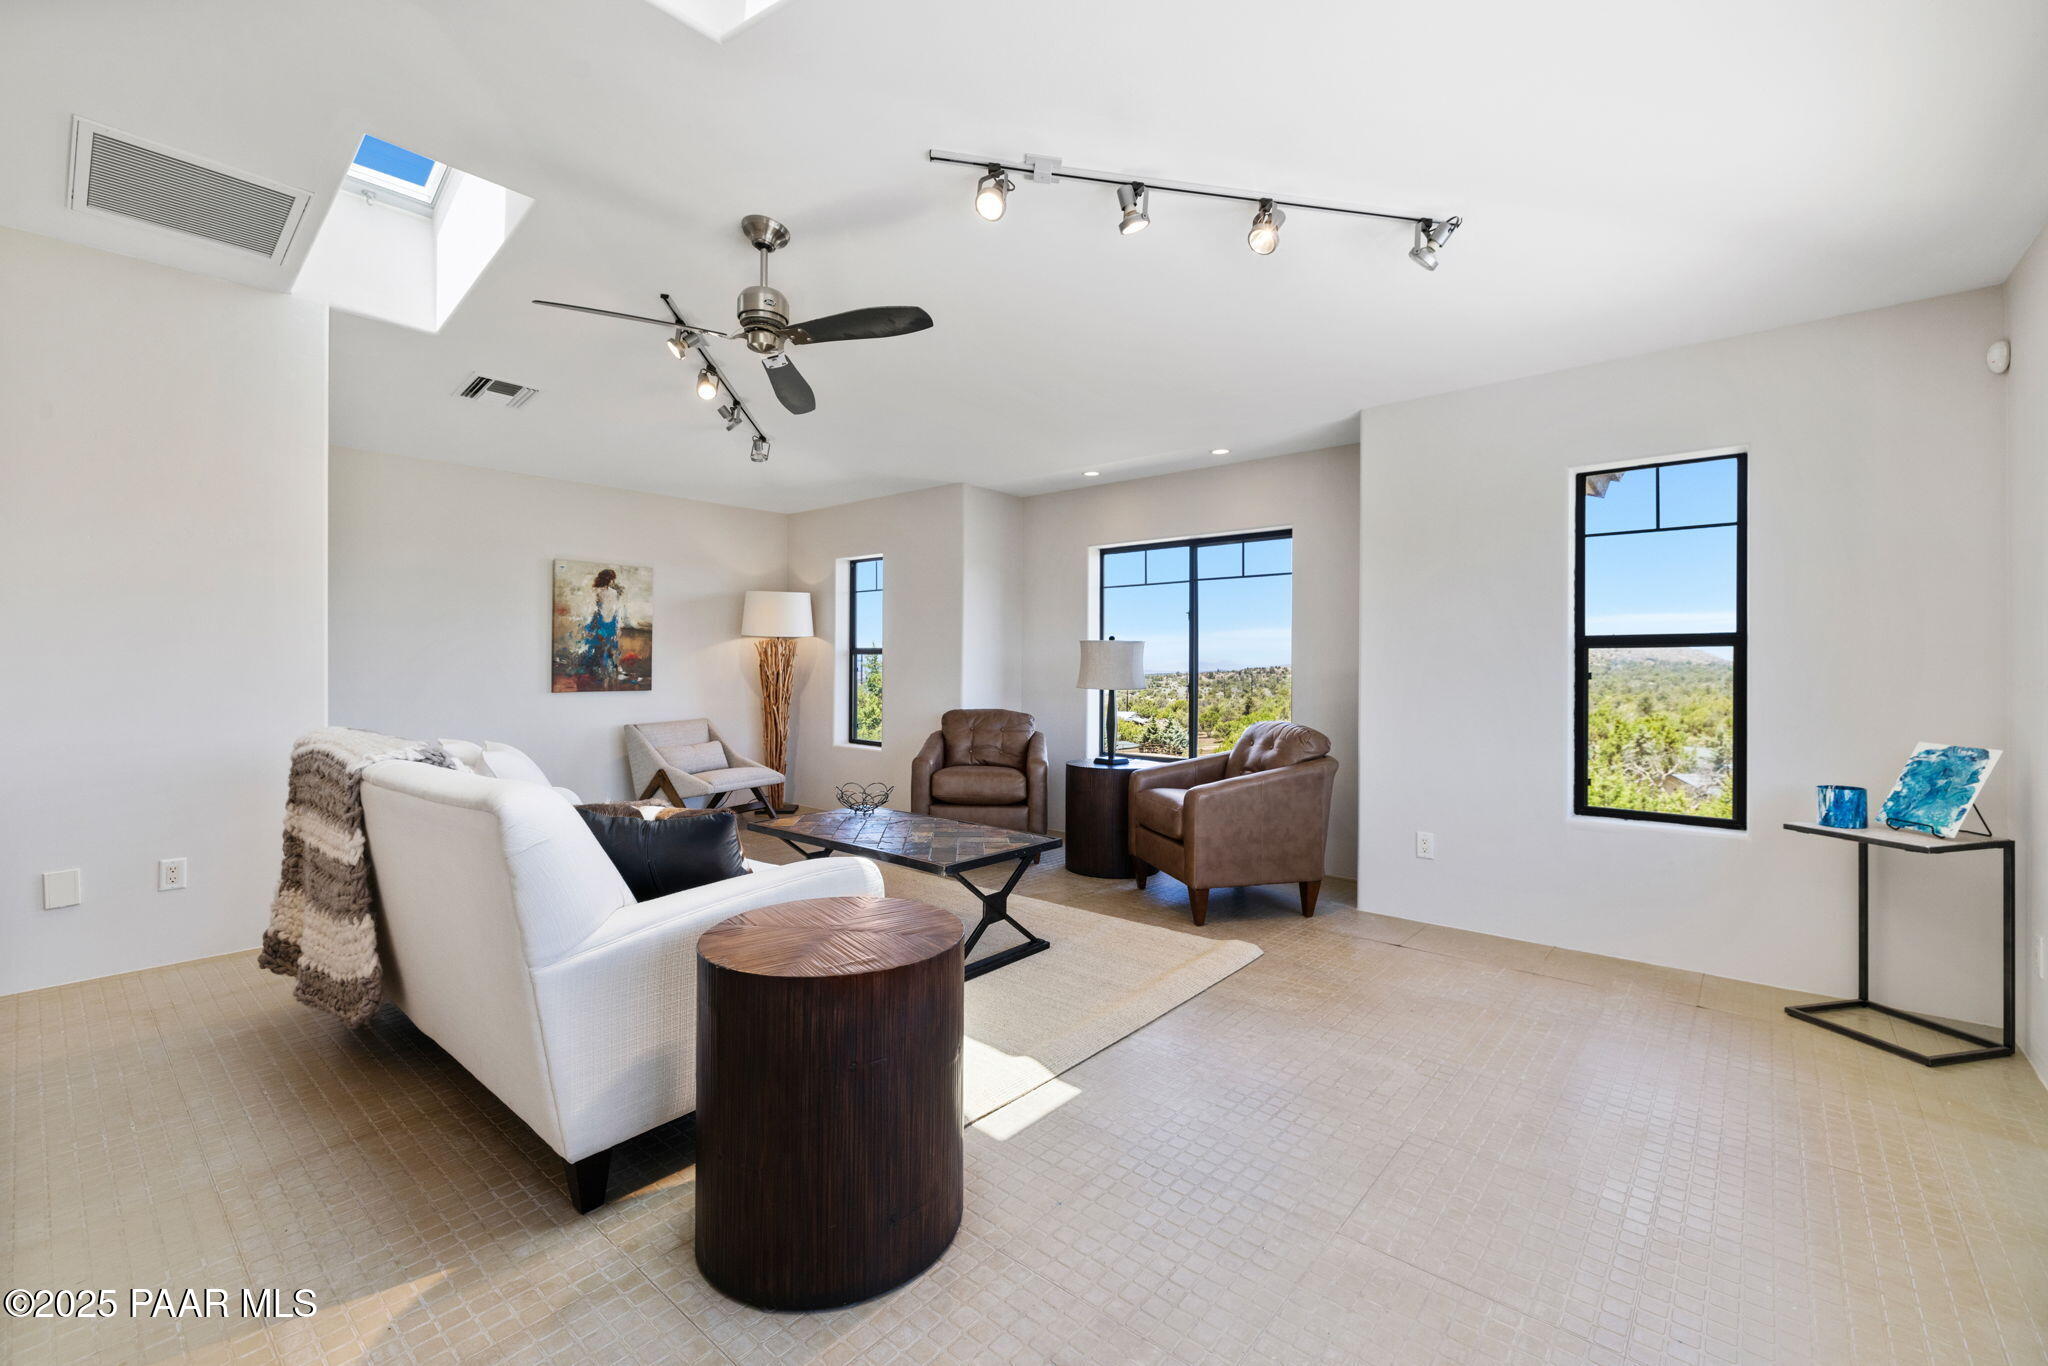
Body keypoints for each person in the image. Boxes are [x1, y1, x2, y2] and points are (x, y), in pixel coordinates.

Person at [579, 568, 623, 684]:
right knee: (602, 649)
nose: (612, 581)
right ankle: (602, 676)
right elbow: (597, 610)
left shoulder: (606, 592)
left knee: (604, 649)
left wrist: (617, 626)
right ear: (609, 579)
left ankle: (604, 675)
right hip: (604, 623)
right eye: (612, 579)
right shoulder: (600, 592)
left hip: (604, 623)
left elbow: (614, 610)